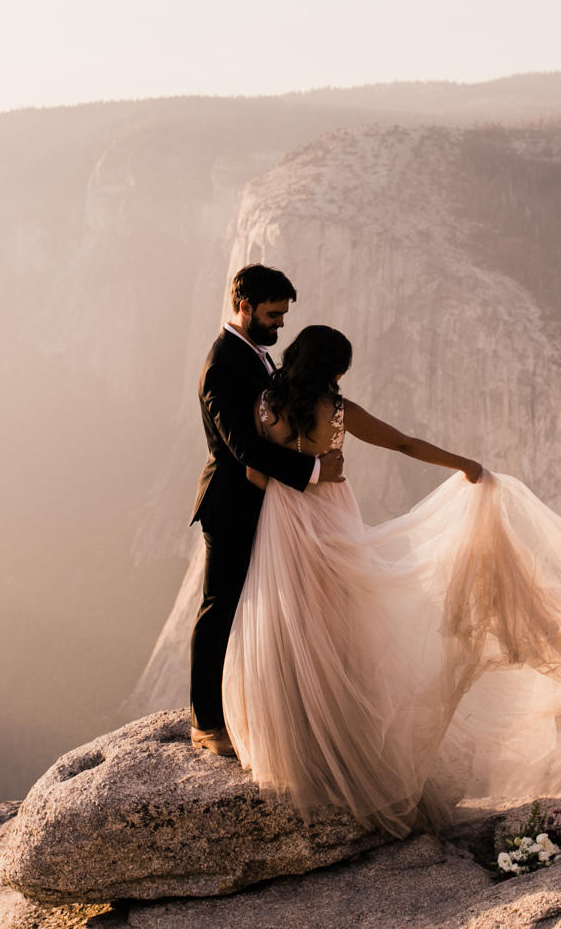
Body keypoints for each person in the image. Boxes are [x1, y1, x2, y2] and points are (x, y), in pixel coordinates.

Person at [224, 324, 561, 837]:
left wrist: (299, 474)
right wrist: (465, 465)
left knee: (290, 621)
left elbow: (255, 471)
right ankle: (343, 745)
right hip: (328, 516)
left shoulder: (264, 406)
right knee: (338, 623)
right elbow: (405, 444)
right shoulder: (338, 411)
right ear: (332, 368)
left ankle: (300, 739)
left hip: (281, 520)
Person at [188, 265, 346, 758]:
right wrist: (316, 470)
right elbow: (242, 447)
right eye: (273, 315)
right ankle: (206, 723)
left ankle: (245, 709)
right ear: (244, 307)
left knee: (253, 609)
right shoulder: (222, 364)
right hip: (232, 505)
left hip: (264, 504)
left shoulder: (254, 355)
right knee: (221, 610)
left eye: (282, 316)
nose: (279, 326)